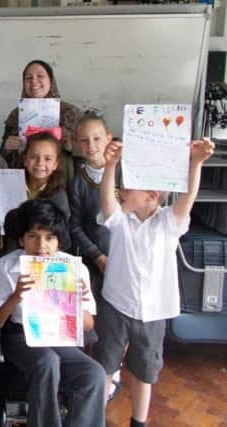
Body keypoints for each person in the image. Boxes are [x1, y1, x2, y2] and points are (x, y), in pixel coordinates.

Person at [93, 138, 214, 427]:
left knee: (144, 370)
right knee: (105, 365)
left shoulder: (169, 224)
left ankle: (139, 421)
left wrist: (195, 163)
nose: (122, 190)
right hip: (116, 305)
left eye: (129, 186)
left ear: (152, 194)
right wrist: (111, 165)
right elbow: (107, 198)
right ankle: (93, 418)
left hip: (154, 311)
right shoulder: (120, 221)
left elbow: (187, 198)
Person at [0, 199, 106, 427]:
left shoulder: (74, 268)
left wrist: (76, 302)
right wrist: (16, 296)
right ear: (21, 239)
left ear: (59, 241)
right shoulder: (7, 266)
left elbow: (89, 325)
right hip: (21, 335)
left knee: (94, 373)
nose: (41, 245)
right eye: (33, 236)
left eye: (50, 237)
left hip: (59, 334)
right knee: (47, 361)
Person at [68, 112, 124, 400]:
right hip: (95, 262)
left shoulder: (126, 172)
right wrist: (97, 255)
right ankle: (96, 370)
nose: (91, 145)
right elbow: (75, 226)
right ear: (76, 144)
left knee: (119, 319)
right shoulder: (78, 181)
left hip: (125, 259)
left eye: (97, 139)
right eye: (85, 140)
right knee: (98, 318)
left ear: (109, 138)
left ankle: (114, 371)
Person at [0, 60, 82, 178]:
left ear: (51, 80)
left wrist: (70, 143)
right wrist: (7, 148)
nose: (34, 81)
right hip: (24, 180)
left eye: (40, 76)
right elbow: (1, 157)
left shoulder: (71, 113)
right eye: (28, 78)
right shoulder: (16, 115)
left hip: (62, 179)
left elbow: (87, 152)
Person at [20, 132, 69, 219]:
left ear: (55, 164)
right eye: (33, 157)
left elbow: (61, 230)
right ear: (25, 160)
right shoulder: (12, 186)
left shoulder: (59, 197)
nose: (40, 163)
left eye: (47, 159)